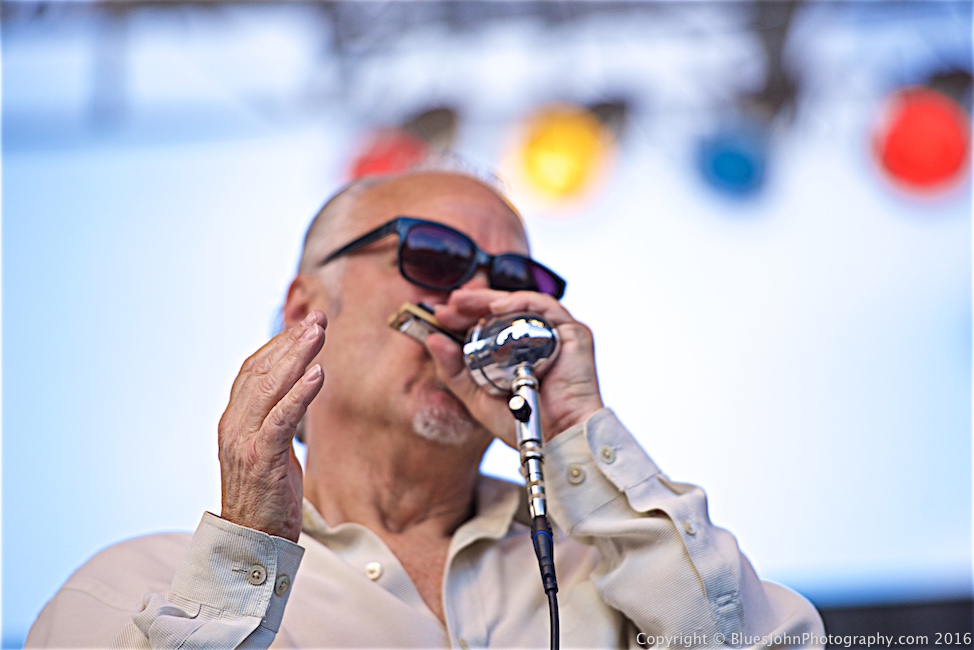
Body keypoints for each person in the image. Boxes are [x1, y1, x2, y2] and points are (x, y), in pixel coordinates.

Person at [27, 162, 825, 648]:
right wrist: (244, 553)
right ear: (309, 304)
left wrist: (578, 427)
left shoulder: (618, 569)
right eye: (436, 256)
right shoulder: (137, 588)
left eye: (515, 278)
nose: (479, 297)